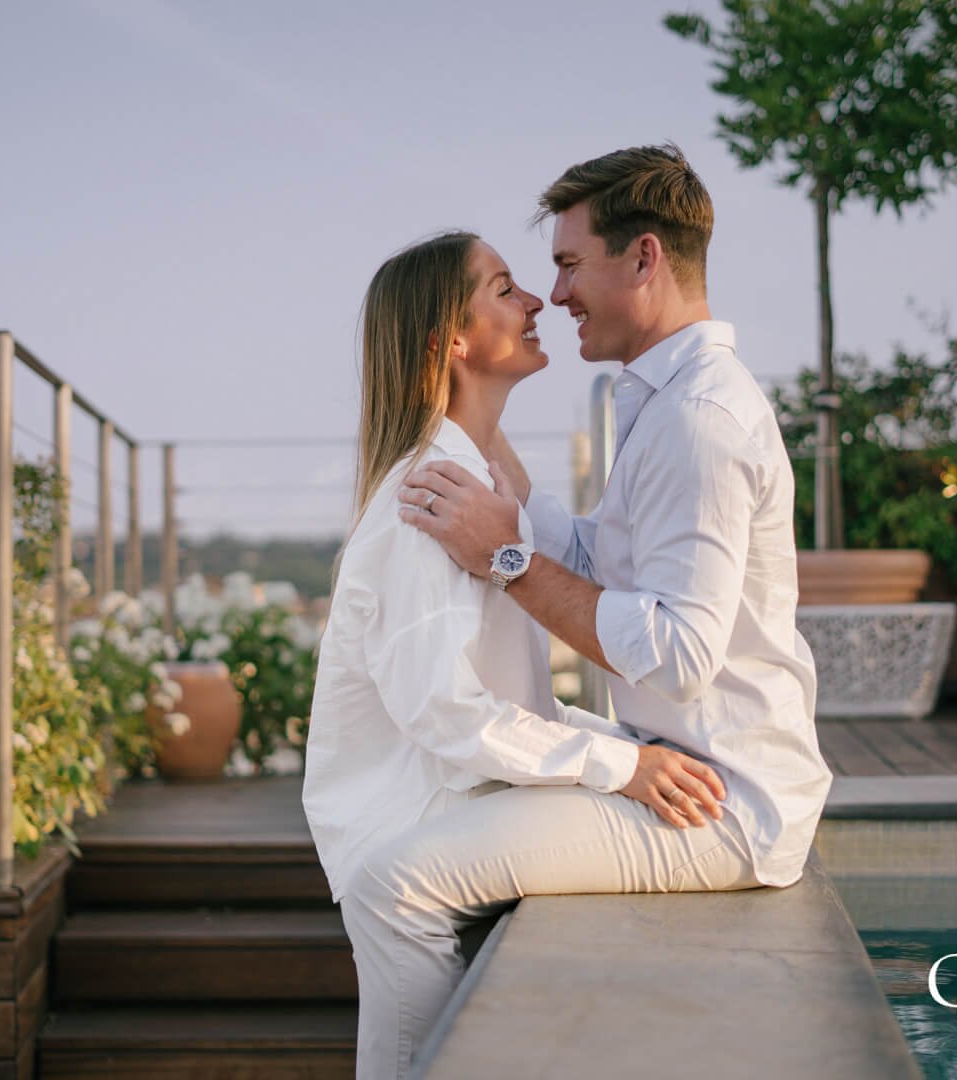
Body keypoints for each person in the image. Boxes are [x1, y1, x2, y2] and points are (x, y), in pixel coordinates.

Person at [381, 144, 833, 1069]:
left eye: (569, 264)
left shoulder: (699, 419)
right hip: (694, 773)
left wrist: (505, 558)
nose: (555, 294)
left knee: (399, 887)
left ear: (644, 257)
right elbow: (603, 565)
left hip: (723, 807)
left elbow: (678, 653)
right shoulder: (668, 402)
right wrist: (494, 462)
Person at [302, 229, 730, 1080]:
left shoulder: (479, 486)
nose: (537, 299)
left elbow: (514, 700)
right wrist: (621, 766)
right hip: (408, 839)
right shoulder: (430, 496)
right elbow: (446, 710)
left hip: (457, 806)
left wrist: (633, 751)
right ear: (452, 342)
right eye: (504, 289)